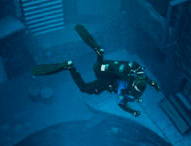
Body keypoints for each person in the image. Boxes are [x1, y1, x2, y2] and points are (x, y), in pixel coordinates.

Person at [32, 25, 161, 117]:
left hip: (108, 71)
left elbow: (143, 78)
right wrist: (132, 111)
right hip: (106, 77)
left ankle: (97, 55)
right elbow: (121, 103)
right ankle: (71, 67)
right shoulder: (124, 86)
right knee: (85, 86)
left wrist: (153, 84)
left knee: (99, 70)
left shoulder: (136, 79)